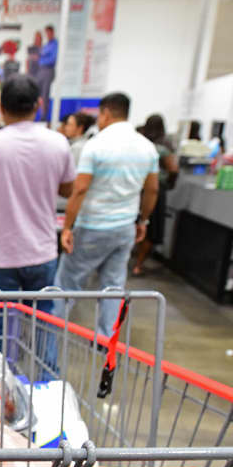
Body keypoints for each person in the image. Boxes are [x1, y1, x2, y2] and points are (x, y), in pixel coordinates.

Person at [0, 74, 75, 318]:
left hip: (2, 253)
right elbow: (67, 189)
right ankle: (43, 358)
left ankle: (2, 358)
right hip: (42, 250)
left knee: (2, 324)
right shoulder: (59, 143)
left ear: (1, 107)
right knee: (43, 320)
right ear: (39, 104)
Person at [53, 92, 159, 340]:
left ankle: (51, 330)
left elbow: (80, 189)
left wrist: (67, 227)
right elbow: (152, 189)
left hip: (93, 225)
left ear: (106, 113)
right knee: (113, 286)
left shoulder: (96, 145)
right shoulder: (147, 147)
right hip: (124, 228)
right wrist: (143, 221)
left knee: (68, 282)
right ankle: (105, 339)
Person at [133, 114, 179, 275]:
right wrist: (170, 183)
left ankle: (131, 257)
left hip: (136, 189)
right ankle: (138, 264)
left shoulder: (139, 144)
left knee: (136, 224)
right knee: (149, 228)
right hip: (155, 191)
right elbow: (173, 169)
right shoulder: (163, 148)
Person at [37, 25, 58, 123]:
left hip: (48, 70)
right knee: (38, 93)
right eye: (47, 33)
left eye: (49, 33)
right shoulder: (46, 45)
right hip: (41, 70)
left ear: (52, 32)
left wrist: (43, 58)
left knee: (45, 94)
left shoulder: (55, 44)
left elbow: (52, 59)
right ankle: (38, 114)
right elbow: (40, 57)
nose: (48, 35)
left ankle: (43, 116)